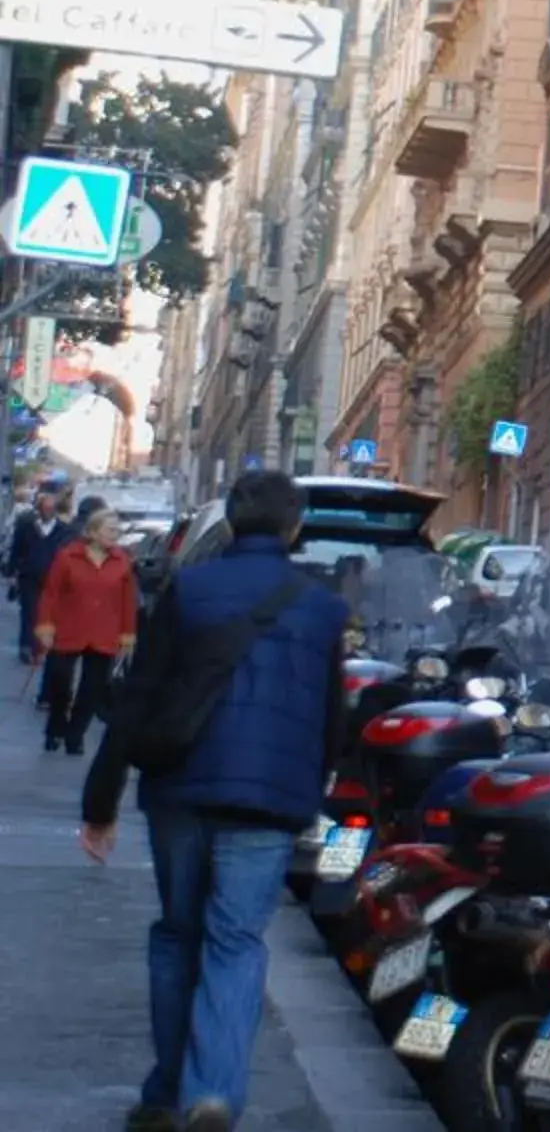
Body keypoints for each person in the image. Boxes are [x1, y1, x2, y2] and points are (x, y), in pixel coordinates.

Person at [80, 470, 352, 1132]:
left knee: (179, 934)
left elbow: (140, 695)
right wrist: (313, 788)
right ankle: (213, 1093)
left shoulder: (189, 589)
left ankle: (166, 1091)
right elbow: (332, 717)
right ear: (296, 528)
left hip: (181, 788)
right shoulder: (322, 607)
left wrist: (101, 800)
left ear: (229, 522)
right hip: (268, 802)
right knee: (235, 941)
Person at [38, 503, 140, 752]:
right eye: (109, 530)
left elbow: (128, 601)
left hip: (104, 631)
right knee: (60, 682)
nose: (115, 535)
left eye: (117, 530)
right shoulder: (67, 556)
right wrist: (46, 625)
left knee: (92, 689)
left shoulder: (122, 562)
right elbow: (51, 594)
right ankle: (56, 725)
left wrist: (127, 635)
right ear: (92, 532)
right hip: (68, 628)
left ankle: (76, 734)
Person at [11, 479, 73, 662]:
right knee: (29, 611)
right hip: (29, 575)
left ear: (55, 511)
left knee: (45, 613)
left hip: (53, 577)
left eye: (50, 509)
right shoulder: (26, 526)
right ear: (39, 509)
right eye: (44, 508)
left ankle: (39, 649)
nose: (47, 512)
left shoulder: (63, 530)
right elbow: (17, 550)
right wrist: (12, 572)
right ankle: (26, 647)